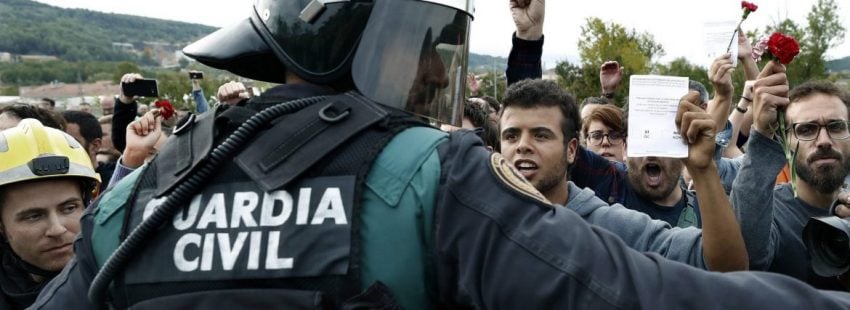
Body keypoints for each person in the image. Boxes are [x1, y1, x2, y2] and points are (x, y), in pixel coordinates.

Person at [31, 0, 850, 309]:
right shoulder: (427, 173)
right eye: (419, 49)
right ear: (363, 41)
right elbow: (655, 296)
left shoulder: (143, 193)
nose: (430, 73)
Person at [500, 78, 746, 271]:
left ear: (572, 150)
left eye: (541, 135)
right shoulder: (476, 220)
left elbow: (727, 268)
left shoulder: (612, 228)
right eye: (510, 136)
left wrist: (703, 171)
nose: (523, 145)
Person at [731, 78, 850, 290]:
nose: (823, 140)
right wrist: (762, 134)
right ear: (785, 142)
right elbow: (748, 259)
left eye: (836, 126)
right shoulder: (768, 213)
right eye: (806, 130)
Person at [0, 119, 100, 309]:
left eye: (69, 208)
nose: (57, 229)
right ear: (1, 227)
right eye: (33, 216)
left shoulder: (119, 281)